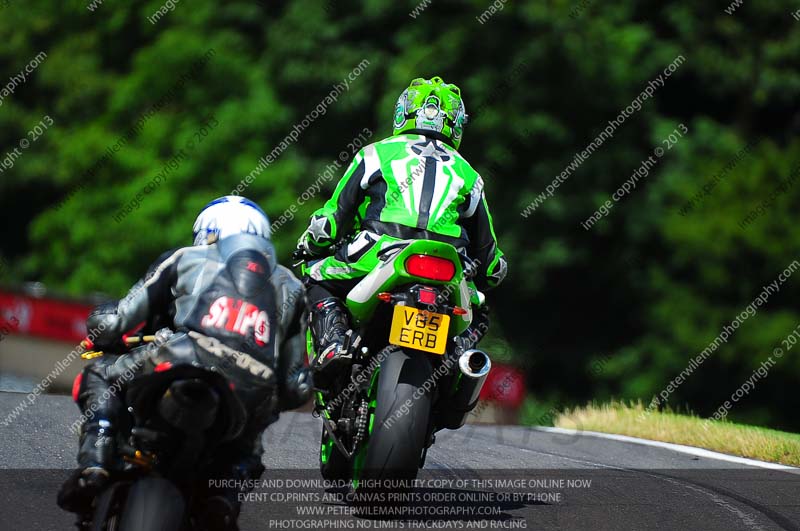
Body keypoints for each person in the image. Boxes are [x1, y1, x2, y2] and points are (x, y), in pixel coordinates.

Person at [57, 195, 310, 530]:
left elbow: (116, 322)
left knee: (99, 374)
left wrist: (100, 330)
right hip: (252, 385)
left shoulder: (185, 258)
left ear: (210, 232)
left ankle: (96, 463)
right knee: (248, 447)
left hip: (185, 354)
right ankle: (223, 498)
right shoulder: (293, 286)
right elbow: (295, 386)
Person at [297, 76, 507, 380]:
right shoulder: (470, 175)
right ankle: (459, 360)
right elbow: (489, 256)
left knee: (317, 276)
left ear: (403, 112)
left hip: (376, 254)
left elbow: (333, 218)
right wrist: (490, 273)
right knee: (479, 310)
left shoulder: (375, 153)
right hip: (449, 269)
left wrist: (311, 244)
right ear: (456, 123)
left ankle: (334, 341)